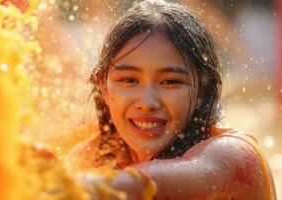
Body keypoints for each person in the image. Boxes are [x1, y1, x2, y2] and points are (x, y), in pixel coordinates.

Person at [67, 0, 277, 199]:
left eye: (170, 82)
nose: (147, 102)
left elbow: (150, 184)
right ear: (103, 86)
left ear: (203, 91)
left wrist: (61, 187)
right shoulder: (94, 157)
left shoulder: (231, 156)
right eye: (129, 80)